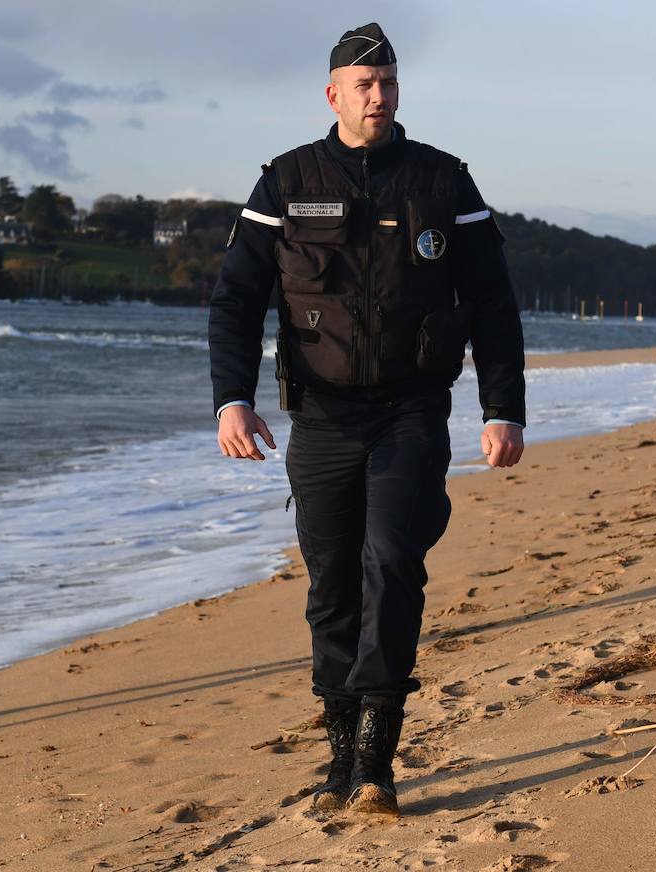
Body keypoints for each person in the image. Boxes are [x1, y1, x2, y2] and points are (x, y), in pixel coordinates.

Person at [208, 23, 526, 816]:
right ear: (333, 94)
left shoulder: (444, 181)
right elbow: (236, 302)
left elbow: (493, 304)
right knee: (331, 584)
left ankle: (378, 759)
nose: (378, 96)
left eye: (387, 82)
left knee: (392, 562)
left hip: (411, 410)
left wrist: (502, 409)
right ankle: (340, 749)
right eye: (363, 84)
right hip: (319, 416)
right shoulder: (284, 182)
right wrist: (231, 397)